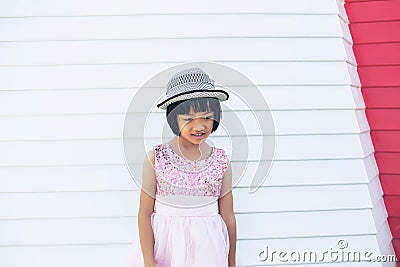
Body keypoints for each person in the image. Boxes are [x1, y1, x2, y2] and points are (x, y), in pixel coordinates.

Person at [134, 67, 237, 267]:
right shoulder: (157, 158)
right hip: (167, 249)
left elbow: (228, 216)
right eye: (189, 119)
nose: (199, 126)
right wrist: (148, 260)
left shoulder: (220, 161)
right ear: (174, 119)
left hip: (208, 250)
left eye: (206, 117)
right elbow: (144, 213)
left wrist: (231, 261)